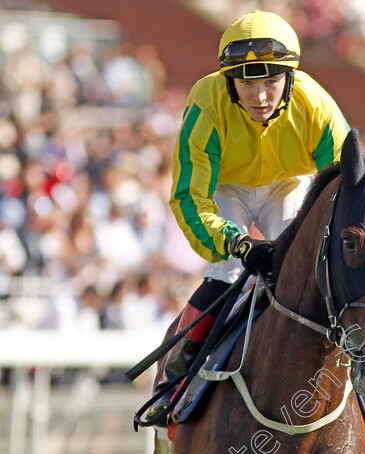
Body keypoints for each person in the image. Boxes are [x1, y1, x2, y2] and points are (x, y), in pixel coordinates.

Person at [143, 10, 350, 425]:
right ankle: (174, 383)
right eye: (247, 83)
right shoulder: (205, 103)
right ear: (228, 81)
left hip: (290, 184)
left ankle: (362, 385)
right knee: (225, 270)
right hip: (227, 188)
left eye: (272, 81)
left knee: (315, 270)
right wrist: (235, 242)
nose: (260, 97)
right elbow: (188, 198)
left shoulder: (319, 107)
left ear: (290, 78)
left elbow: (343, 193)